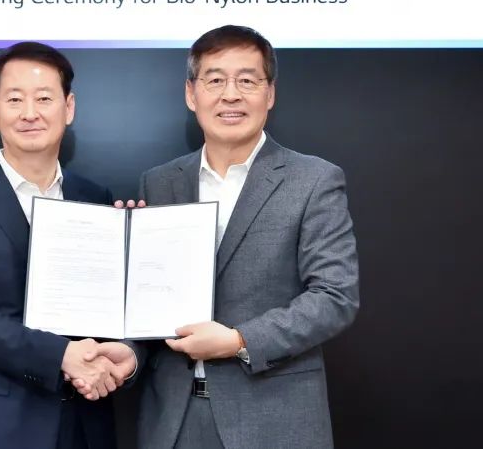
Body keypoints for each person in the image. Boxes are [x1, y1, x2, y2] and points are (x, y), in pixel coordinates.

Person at [121, 25, 360, 448]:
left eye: (247, 80)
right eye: (215, 80)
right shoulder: (158, 183)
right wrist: (126, 353)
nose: (230, 95)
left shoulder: (313, 180)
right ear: (191, 94)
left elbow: (334, 296)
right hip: (172, 423)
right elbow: (148, 303)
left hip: (273, 420)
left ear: (270, 94)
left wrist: (238, 341)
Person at [0, 42, 136, 449]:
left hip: (86, 421)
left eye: (44, 98)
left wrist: (138, 247)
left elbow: (110, 307)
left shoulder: (96, 199)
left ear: (68, 108)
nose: (29, 113)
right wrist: (61, 355)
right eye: (14, 99)